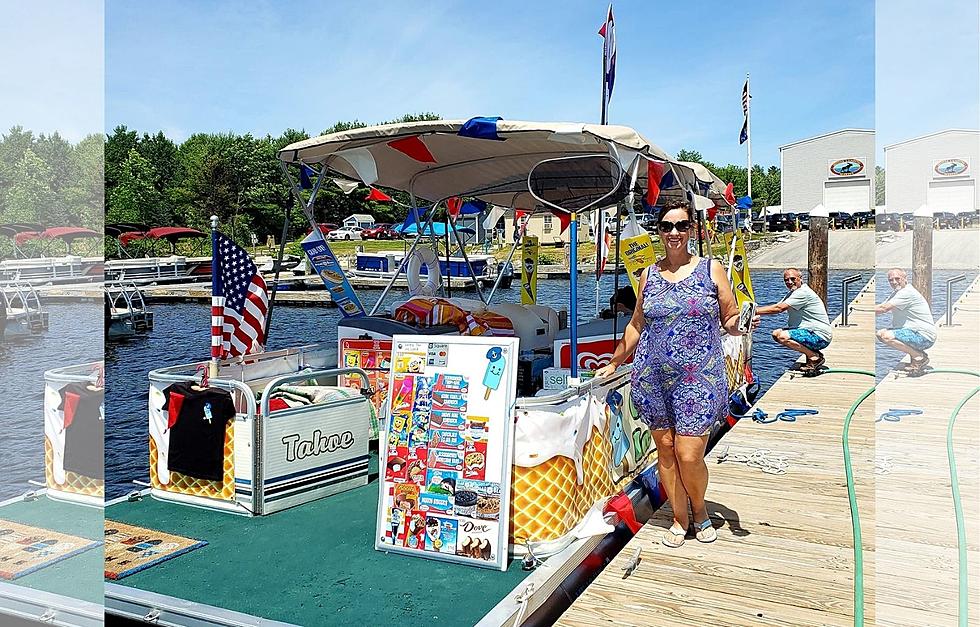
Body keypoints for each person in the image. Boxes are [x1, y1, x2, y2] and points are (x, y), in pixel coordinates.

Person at [595, 199, 758, 548]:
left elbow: (728, 318)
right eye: (667, 226)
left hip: (699, 378)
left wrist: (740, 325)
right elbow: (637, 325)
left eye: (681, 226)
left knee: (689, 453)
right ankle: (680, 518)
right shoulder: (648, 275)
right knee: (666, 451)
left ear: (691, 230)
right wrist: (615, 361)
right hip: (653, 377)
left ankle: (699, 512)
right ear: (659, 232)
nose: (673, 233)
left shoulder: (711, 270)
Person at [756, 268, 833, 373]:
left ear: (800, 278)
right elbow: (776, 306)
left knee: (782, 336)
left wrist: (753, 311)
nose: (789, 282)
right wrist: (754, 312)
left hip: (819, 336)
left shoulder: (802, 293)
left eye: (793, 279)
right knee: (776, 333)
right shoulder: (793, 293)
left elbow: (779, 309)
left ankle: (815, 357)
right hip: (809, 332)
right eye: (786, 280)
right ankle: (813, 356)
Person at [875, 268, 937, 373]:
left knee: (886, 336)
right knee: (880, 333)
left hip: (924, 336)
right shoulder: (897, 293)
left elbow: (883, 309)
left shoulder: (907, 293)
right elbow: (881, 307)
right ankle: (917, 357)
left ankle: (919, 357)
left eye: (897, 278)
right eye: (891, 280)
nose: (894, 282)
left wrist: (863, 309)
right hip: (913, 332)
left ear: (905, 278)